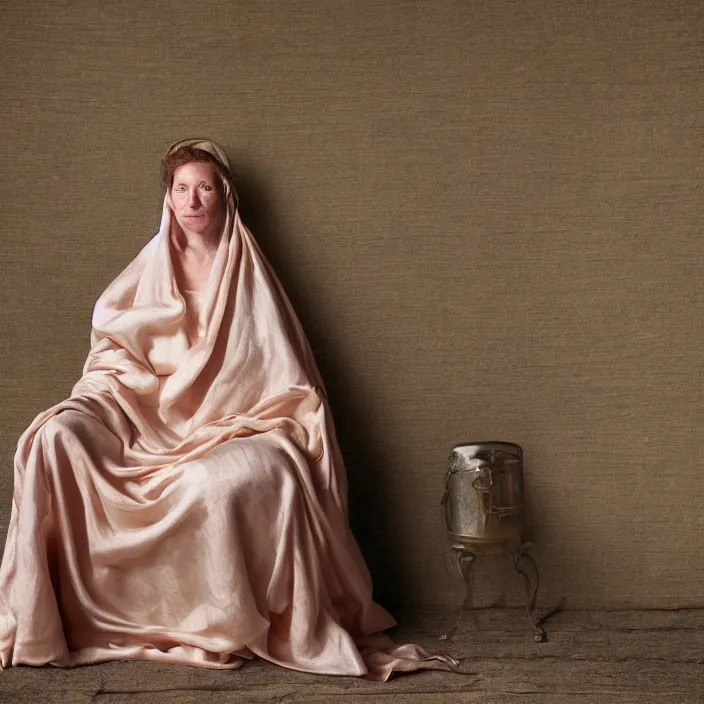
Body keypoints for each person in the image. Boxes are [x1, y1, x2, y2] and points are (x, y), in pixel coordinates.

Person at [0, 139, 457, 680]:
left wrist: (238, 428)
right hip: (144, 429)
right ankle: (66, 619)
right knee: (55, 437)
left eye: (205, 188)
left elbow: (287, 386)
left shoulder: (250, 280)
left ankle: (219, 620)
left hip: (234, 429)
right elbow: (109, 369)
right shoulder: (144, 279)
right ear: (168, 200)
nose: (193, 200)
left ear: (225, 196)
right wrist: (86, 409)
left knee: (215, 480)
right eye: (181, 189)